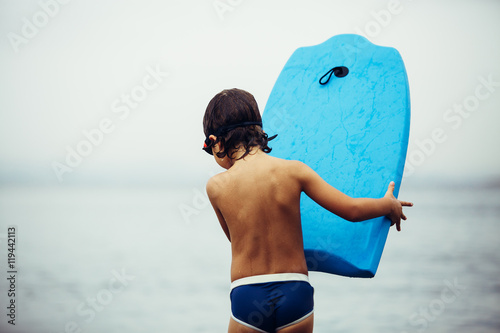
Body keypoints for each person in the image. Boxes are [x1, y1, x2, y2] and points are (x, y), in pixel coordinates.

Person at [202, 88, 413, 333]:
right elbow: (352, 210)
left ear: (217, 141)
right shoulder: (294, 171)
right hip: (295, 291)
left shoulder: (216, 186)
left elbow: (234, 237)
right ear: (258, 131)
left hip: (248, 292)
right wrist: (389, 204)